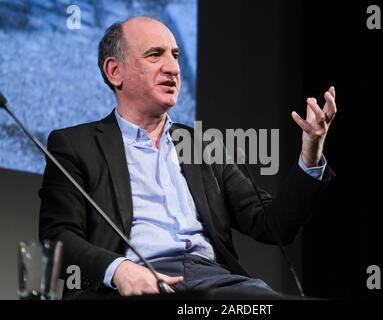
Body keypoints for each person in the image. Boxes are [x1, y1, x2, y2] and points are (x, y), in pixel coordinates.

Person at [39, 16, 337, 299]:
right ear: (115, 71)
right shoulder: (75, 145)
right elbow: (57, 237)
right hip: (134, 285)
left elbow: (273, 225)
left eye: (176, 55)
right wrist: (120, 270)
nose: (173, 68)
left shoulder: (204, 146)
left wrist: (311, 154)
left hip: (216, 282)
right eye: (155, 55)